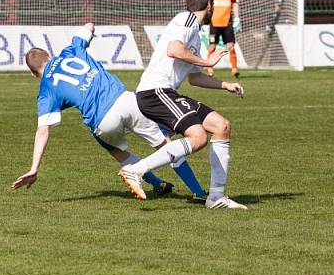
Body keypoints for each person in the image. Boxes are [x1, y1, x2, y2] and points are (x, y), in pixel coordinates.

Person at [11, 23, 205, 198]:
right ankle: (197, 191)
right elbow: (89, 25)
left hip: (104, 120)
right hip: (126, 100)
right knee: (165, 145)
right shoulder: (70, 51)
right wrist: (89, 35)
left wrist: (34, 168)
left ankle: (157, 183)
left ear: (33, 74)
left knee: (114, 149)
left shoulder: (46, 90)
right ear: (50, 56)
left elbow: (43, 131)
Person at [119, 0, 247, 209]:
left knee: (221, 126)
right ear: (209, 5)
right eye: (213, 6)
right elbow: (174, 50)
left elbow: (194, 78)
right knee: (198, 138)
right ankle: (135, 170)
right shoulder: (187, 20)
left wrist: (224, 84)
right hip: (155, 91)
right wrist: (208, 61)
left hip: (165, 92)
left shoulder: (194, 33)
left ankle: (216, 197)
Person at [207, 0, 241, 78]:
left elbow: (235, 4)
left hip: (227, 23)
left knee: (231, 47)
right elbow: (207, 6)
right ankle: (210, 68)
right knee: (212, 47)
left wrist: (237, 18)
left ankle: (235, 69)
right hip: (214, 24)